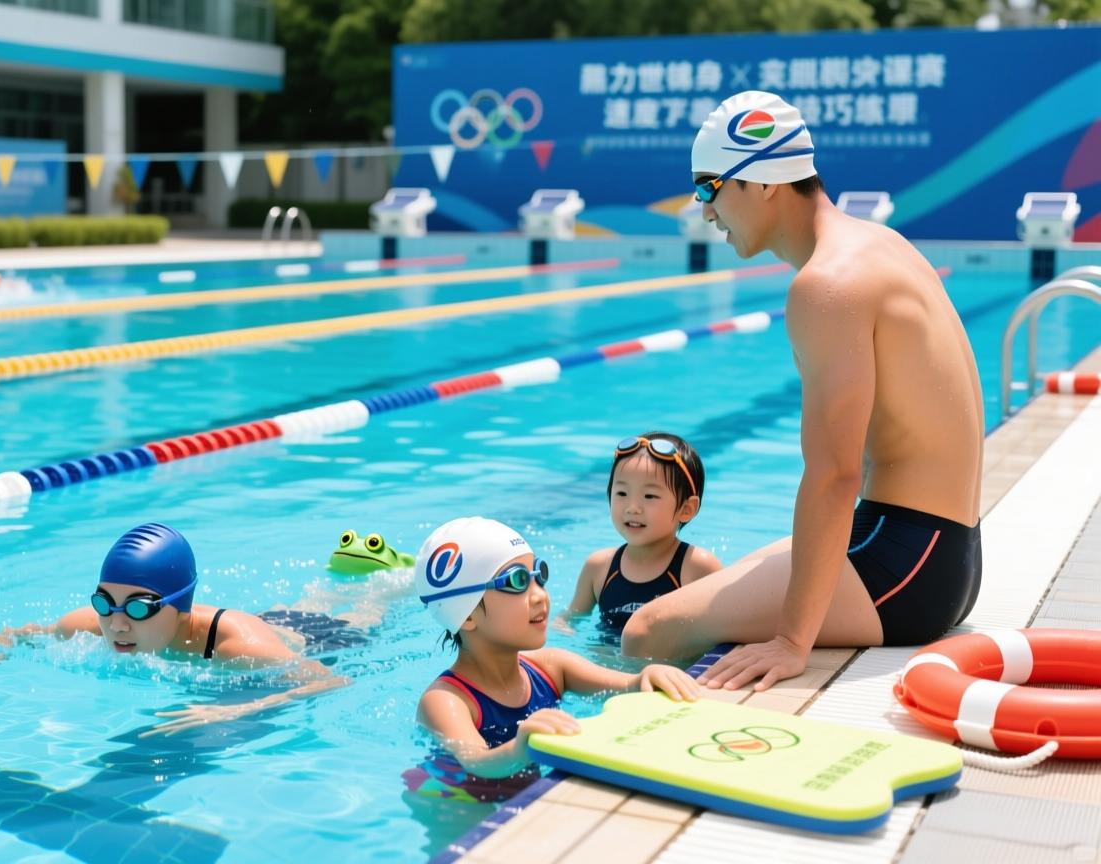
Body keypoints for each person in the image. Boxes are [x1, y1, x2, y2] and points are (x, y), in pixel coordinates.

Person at [622, 91, 984, 692]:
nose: (703, 209)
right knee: (689, 596)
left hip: (905, 566)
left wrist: (794, 640)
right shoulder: (877, 245)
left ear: (762, 183)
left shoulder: (827, 285)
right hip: (939, 551)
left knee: (647, 630)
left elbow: (834, 475)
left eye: (710, 186)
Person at [0, 523, 361, 734]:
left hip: (319, 637)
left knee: (361, 615)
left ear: (180, 605)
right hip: (270, 623)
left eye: (140, 607)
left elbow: (330, 681)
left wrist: (233, 708)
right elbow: (11, 634)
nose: (117, 623)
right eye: (104, 602)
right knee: (298, 606)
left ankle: (374, 592)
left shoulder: (237, 648)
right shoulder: (92, 626)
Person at [407, 517, 699, 803]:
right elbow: (478, 761)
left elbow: (630, 685)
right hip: (460, 798)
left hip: (527, 789)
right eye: (517, 582)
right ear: (467, 614)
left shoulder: (551, 668)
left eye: (538, 576)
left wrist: (648, 676)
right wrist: (520, 747)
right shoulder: (447, 701)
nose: (540, 596)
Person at [560, 432, 723, 634]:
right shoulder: (598, 567)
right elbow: (570, 618)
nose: (633, 507)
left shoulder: (697, 567)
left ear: (686, 509)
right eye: (622, 493)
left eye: (649, 496)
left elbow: (729, 628)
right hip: (599, 664)